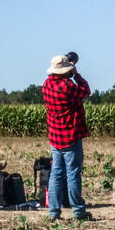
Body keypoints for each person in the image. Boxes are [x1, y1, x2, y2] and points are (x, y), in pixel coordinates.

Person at [42, 54, 93, 221]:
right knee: (73, 173)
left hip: (55, 137)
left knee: (56, 173)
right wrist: (76, 74)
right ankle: (78, 211)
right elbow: (86, 91)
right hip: (70, 136)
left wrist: (68, 72)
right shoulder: (68, 87)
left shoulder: (46, 85)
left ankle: (54, 212)